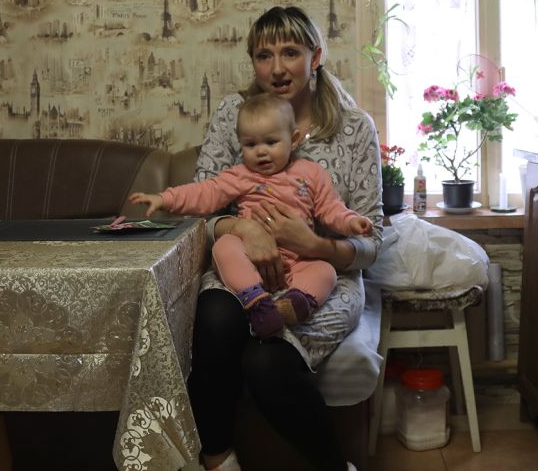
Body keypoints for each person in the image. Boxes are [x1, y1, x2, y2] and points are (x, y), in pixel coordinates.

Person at [188, 6, 384, 471]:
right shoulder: (235, 113)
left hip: (323, 278)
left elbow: (372, 241)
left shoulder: (352, 129)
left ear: (315, 57)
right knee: (213, 321)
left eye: (291, 52)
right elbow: (204, 212)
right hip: (240, 270)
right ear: (252, 62)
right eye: (264, 54)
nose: (277, 67)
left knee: (266, 360)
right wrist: (241, 229)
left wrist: (315, 245)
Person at [129, 93, 373, 338]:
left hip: (298, 261)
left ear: (294, 139)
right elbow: (205, 192)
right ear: (240, 145)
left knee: (325, 271)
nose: (261, 152)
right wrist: (164, 199)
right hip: (251, 257)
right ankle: (256, 302)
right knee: (224, 247)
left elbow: (330, 208)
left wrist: (352, 222)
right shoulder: (241, 174)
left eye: (271, 142)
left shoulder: (311, 174)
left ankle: (293, 304)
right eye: (251, 145)